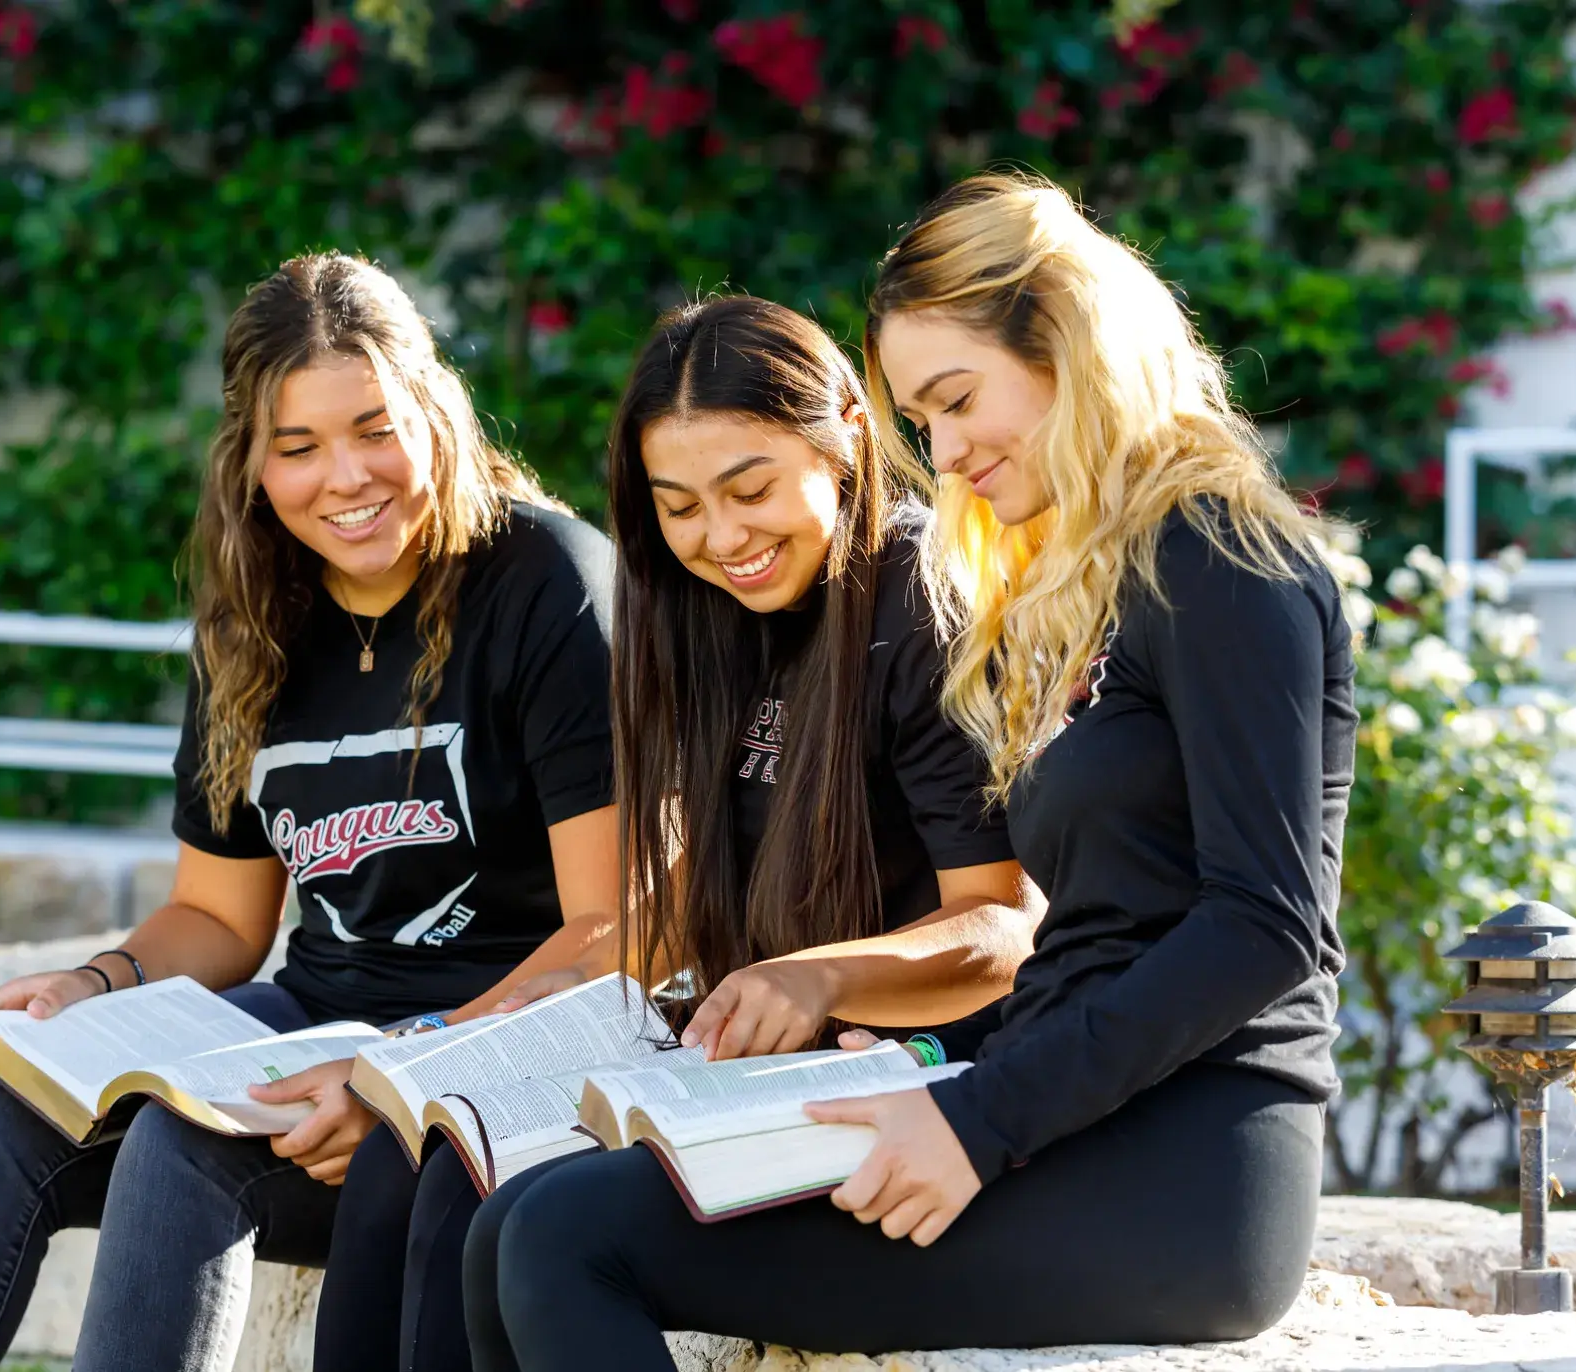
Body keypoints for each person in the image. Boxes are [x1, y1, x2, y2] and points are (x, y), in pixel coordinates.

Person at [461, 173, 1359, 1370]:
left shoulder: (1219, 558)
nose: (940, 452)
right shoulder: (1090, 582)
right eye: (918, 419)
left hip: (1188, 1170)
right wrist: (938, 1082)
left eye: (955, 400)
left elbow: (1264, 924)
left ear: (1069, 343)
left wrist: (977, 1120)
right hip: (1053, 1110)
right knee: (511, 1218)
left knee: (568, 1237)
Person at [0, 252, 623, 1372]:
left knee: (183, 1143)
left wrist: (403, 1074)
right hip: (317, 1024)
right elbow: (217, 917)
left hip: (494, 1053)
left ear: (434, 409)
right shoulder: (253, 619)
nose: (344, 477)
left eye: (373, 428)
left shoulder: (544, 579)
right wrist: (91, 984)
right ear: (249, 463)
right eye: (296, 447)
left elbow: (615, 930)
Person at [312, 295, 1035, 1372]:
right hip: (721, 1058)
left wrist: (814, 980)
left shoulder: (917, 600)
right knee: (412, 1149)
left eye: (749, 489)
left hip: (908, 1082)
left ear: (842, 425)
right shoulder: (694, 616)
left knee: (516, 1218)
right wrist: (457, 1038)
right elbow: (653, 928)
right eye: (679, 507)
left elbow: (1004, 925)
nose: (722, 537)